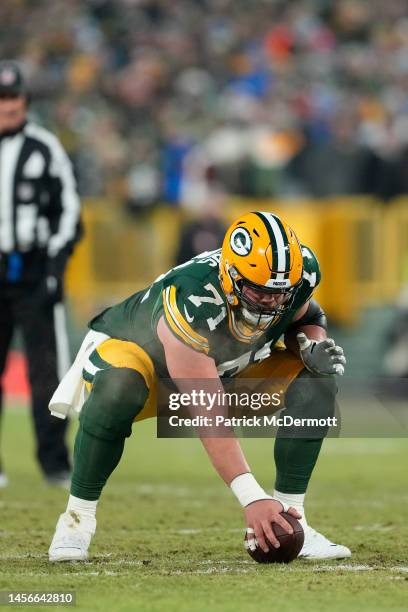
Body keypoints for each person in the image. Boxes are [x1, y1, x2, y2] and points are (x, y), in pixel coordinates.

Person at [48, 211, 348, 561]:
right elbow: (207, 411)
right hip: (143, 361)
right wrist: (251, 496)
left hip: (222, 368)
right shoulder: (192, 297)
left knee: (316, 379)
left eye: (280, 293)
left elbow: (307, 318)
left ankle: (292, 516)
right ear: (230, 275)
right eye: (259, 290)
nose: (271, 302)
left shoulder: (299, 275)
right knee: (119, 387)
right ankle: (76, 520)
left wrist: (311, 347)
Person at [0, 61, 82, 487]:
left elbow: (68, 211)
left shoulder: (44, 147)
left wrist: (54, 267)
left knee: (47, 370)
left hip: (33, 269)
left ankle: (54, 463)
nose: (7, 106)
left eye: (12, 97)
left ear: (25, 100)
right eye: (1, 98)